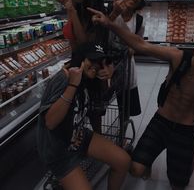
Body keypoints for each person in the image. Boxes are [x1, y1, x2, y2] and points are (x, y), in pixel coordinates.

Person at [87, 8, 194, 190]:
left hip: (185, 130)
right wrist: (110, 24)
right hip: (161, 122)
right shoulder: (178, 56)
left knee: (178, 184)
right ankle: (147, 160)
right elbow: (141, 45)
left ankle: (193, 147)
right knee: (135, 170)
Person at [0, 0, 114, 133]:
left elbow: (84, 45)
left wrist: (72, 13)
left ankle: (94, 150)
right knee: (72, 117)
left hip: (92, 75)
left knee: (93, 118)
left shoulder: (99, 18)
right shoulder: (73, 4)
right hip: (75, 71)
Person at [37, 42, 131, 190]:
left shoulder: (89, 78)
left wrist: (108, 74)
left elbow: (101, 104)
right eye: (92, 60)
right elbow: (50, 122)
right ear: (81, 58)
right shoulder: (64, 78)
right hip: (59, 150)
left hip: (78, 136)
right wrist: (73, 85)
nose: (96, 65)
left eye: (99, 62)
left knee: (123, 161)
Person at [108, 0, 148, 124]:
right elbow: (101, 34)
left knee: (125, 104)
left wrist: (132, 48)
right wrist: (114, 13)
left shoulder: (139, 21)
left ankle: (122, 131)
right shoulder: (110, 10)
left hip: (125, 67)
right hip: (106, 65)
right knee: (100, 102)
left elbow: (138, 42)